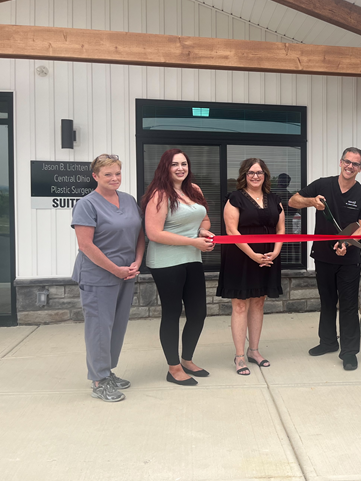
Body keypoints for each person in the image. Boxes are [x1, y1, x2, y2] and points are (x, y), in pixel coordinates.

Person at [289, 147, 361, 371]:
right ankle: (327, 343)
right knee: (327, 302)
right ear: (340, 162)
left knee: (348, 305)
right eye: (347, 161)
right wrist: (311, 202)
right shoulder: (322, 185)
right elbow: (293, 201)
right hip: (323, 256)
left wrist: (346, 243)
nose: (350, 166)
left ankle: (349, 352)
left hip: (349, 259)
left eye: (355, 164)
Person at [72, 154, 146, 402]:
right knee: (99, 328)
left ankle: (108, 371)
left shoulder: (128, 200)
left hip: (127, 273)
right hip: (98, 276)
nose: (114, 178)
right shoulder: (87, 204)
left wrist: (137, 261)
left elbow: (139, 234)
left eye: (118, 173)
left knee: (117, 326)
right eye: (108, 174)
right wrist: (116, 269)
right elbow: (85, 245)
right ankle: (98, 380)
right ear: (95, 176)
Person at [144, 149, 215, 386]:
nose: (180, 168)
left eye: (184, 164)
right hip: (166, 262)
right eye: (175, 164)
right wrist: (193, 241)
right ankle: (173, 368)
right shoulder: (159, 194)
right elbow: (154, 233)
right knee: (172, 313)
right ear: (166, 167)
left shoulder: (194, 190)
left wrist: (203, 231)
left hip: (192, 258)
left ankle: (187, 360)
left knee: (198, 313)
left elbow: (203, 218)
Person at [217, 158, 284, 375]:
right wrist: (253, 255)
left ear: (265, 175)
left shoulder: (275, 199)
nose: (255, 176)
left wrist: (276, 251)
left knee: (258, 303)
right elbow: (231, 231)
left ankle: (254, 351)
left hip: (268, 257)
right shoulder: (234, 198)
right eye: (251, 172)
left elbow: (280, 229)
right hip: (241, 257)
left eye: (260, 172)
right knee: (239, 305)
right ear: (244, 175)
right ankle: (239, 357)